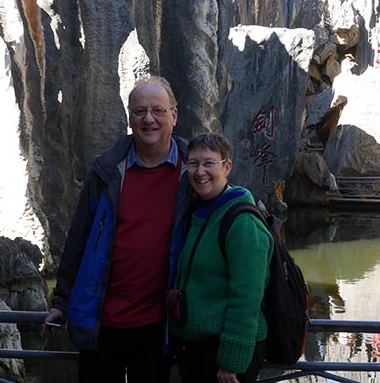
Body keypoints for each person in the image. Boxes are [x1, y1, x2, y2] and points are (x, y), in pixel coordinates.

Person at [44, 76, 193, 383]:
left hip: (158, 326)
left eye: (158, 110)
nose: (148, 119)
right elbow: (79, 238)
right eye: (140, 111)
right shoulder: (107, 170)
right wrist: (61, 300)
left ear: (174, 116)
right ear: (129, 118)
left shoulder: (194, 174)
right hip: (102, 320)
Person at [169, 132, 273, 383]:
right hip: (194, 346)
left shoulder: (242, 221)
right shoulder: (197, 210)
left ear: (227, 166)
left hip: (223, 353)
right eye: (193, 163)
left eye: (208, 163)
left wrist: (232, 361)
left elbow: (247, 297)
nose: (199, 171)